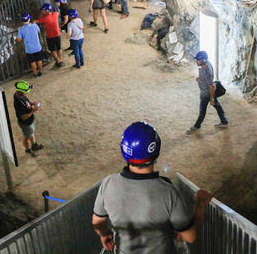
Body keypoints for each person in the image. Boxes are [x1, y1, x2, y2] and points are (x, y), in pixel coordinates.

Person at [92, 121, 213, 253]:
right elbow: (190, 236)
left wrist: (105, 234)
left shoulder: (108, 184)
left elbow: (98, 222)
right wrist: (200, 204)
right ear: (156, 150)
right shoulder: (169, 193)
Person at [187, 51, 228, 134]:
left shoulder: (206, 71)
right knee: (217, 106)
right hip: (207, 91)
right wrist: (200, 79)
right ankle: (224, 121)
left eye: (198, 60)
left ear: (203, 60)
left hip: (206, 94)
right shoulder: (206, 64)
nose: (196, 61)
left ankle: (197, 126)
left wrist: (212, 98)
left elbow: (212, 86)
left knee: (202, 111)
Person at [12, 81, 44, 157]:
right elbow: (23, 117)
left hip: (29, 121)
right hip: (25, 123)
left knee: (30, 135)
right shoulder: (18, 103)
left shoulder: (20, 95)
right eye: (25, 92)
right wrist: (33, 110)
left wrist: (32, 103)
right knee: (27, 136)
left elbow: (27, 102)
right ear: (21, 92)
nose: (26, 93)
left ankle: (33, 145)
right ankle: (29, 149)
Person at [35, 3, 64, 67]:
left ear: (47, 11)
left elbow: (36, 21)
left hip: (50, 37)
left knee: (52, 50)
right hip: (57, 35)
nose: (42, 11)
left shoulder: (44, 18)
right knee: (59, 48)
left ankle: (57, 61)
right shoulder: (55, 14)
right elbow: (58, 12)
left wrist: (30, 22)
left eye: (43, 10)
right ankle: (61, 60)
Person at [16, 13, 44, 77]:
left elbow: (19, 39)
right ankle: (40, 71)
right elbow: (39, 31)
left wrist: (19, 38)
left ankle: (35, 74)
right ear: (29, 19)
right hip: (37, 46)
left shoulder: (21, 29)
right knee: (39, 60)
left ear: (22, 21)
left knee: (32, 62)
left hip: (29, 49)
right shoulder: (34, 25)